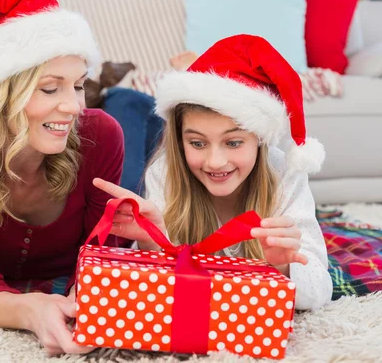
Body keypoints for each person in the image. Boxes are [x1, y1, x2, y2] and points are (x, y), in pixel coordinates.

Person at [0, 0, 158, 356]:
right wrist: (32, 311)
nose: (75, 105)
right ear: (0, 93)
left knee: (130, 122)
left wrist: (85, 302)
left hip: (101, 142)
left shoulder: (99, 133)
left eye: (78, 85)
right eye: (49, 88)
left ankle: (128, 98)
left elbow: (100, 264)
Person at [95, 34, 333, 311]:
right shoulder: (165, 171)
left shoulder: (284, 173)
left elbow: (320, 292)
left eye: (233, 142)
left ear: (260, 139)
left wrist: (282, 265)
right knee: (123, 102)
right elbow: (157, 291)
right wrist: (151, 241)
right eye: (197, 143)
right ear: (181, 139)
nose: (215, 161)